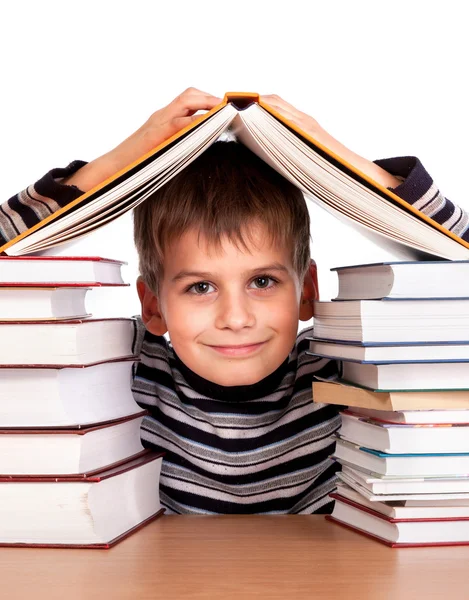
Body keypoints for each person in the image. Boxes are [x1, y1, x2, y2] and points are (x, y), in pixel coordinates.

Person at [2, 88, 468, 514]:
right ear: (154, 306)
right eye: (200, 287)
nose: (236, 318)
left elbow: (459, 268)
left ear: (307, 290)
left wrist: (345, 162)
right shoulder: (121, 371)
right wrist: (112, 166)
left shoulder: (344, 376)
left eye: (263, 281)